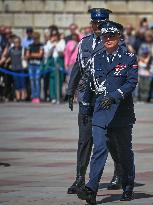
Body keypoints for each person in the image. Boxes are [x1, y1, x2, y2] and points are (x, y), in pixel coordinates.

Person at [77, 21, 138, 204]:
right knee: (99, 149)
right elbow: (88, 83)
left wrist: (115, 95)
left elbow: (131, 83)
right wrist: (85, 106)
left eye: (112, 36)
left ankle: (128, 185)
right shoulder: (96, 58)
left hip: (121, 113)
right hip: (100, 112)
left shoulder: (128, 57)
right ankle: (91, 188)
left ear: (119, 37)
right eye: (105, 36)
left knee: (124, 152)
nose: (108, 39)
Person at [67, 8, 125, 195]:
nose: (98, 27)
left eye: (101, 24)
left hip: (105, 100)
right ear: (91, 24)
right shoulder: (84, 43)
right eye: (95, 23)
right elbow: (78, 66)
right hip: (86, 99)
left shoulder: (114, 43)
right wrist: (70, 91)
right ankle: (79, 178)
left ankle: (119, 172)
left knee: (109, 139)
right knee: (84, 140)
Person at [26, 32, 44, 103]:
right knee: (32, 80)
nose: (35, 39)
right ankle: (33, 96)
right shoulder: (30, 45)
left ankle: (38, 96)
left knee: (37, 80)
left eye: (36, 38)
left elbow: (40, 55)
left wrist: (31, 54)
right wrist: (34, 54)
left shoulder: (41, 45)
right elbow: (27, 55)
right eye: (34, 38)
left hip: (38, 65)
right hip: (31, 65)